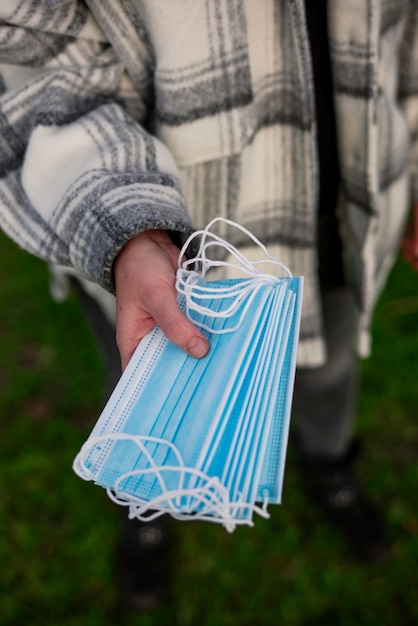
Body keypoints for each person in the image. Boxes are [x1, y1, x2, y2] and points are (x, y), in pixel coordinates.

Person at [1, 0, 417, 610]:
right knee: (146, 383)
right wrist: (127, 224)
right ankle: (147, 502)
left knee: (330, 368)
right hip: (171, 233)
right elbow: (29, 56)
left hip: (341, 195)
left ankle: (330, 469)